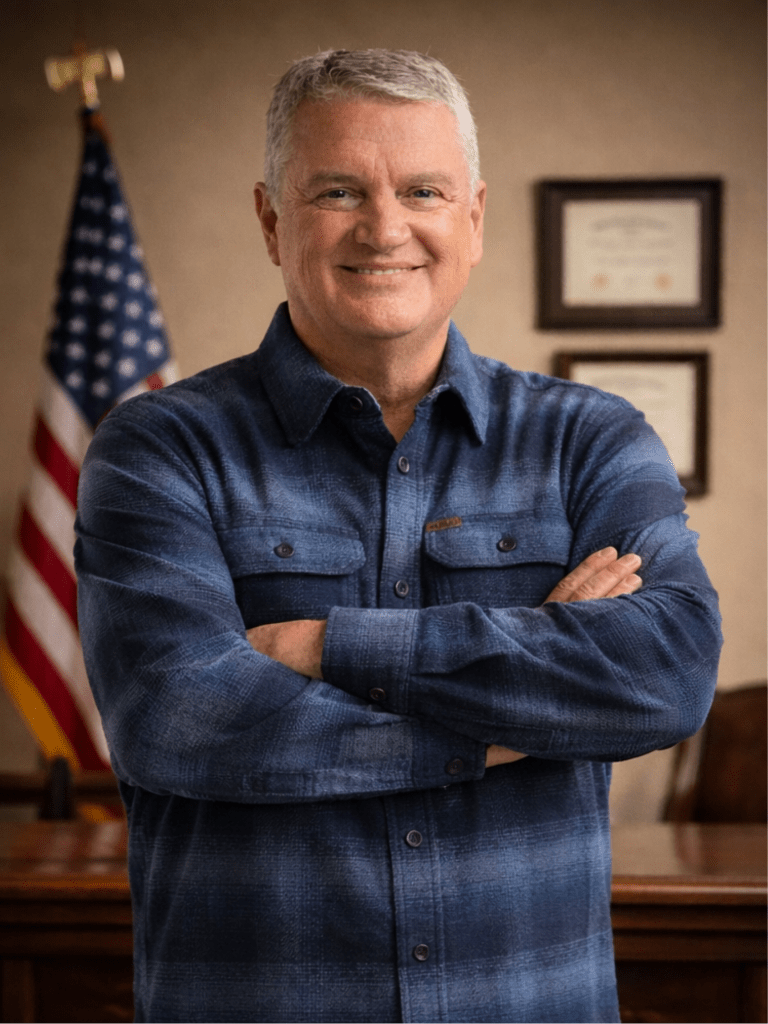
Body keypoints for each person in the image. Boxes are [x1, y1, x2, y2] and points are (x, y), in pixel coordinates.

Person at [75, 49, 722, 1024]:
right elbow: (183, 720)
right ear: (269, 220)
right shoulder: (157, 446)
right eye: (339, 190)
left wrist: (325, 645)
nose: (386, 227)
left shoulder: (593, 436)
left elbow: (667, 669)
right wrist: (510, 729)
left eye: (423, 189)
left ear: (473, 218)